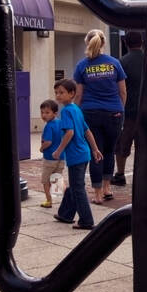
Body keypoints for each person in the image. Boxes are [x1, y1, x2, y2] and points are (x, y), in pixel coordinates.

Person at [73, 29, 126, 204]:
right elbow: (123, 91)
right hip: (114, 113)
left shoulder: (82, 66)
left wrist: (76, 115)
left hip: (90, 113)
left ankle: (97, 194)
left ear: (87, 42)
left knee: (96, 152)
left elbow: (79, 95)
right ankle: (107, 188)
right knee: (109, 151)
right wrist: (120, 110)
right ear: (103, 43)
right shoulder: (114, 63)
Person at [51, 80, 102, 230]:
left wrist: (58, 150)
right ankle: (65, 214)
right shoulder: (76, 109)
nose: (58, 96)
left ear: (72, 94)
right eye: (56, 93)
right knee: (74, 185)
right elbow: (87, 131)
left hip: (76, 155)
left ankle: (86, 221)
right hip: (84, 153)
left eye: (61, 92)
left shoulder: (66, 111)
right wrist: (95, 149)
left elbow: (70, 132)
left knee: (77, 187)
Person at [112, 29, 145, 187]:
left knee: (123, 144)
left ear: (125, 43)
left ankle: (120, 174)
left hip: (128, 111)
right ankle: (145, 176)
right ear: (142, 42)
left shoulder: (121, 62)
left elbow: (117, 89)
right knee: (145, 145)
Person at [38, 100, 64, 209]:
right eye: (42, 112)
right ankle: (61, 199)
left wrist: (41, 148)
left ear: (55, 113)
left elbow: (48, 142)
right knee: (57, 179)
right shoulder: (60, 123)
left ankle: (49, 201)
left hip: (49, 158)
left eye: (47, 112)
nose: (44, 115)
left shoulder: (49, 126)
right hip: (61, 157)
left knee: (45, 180)